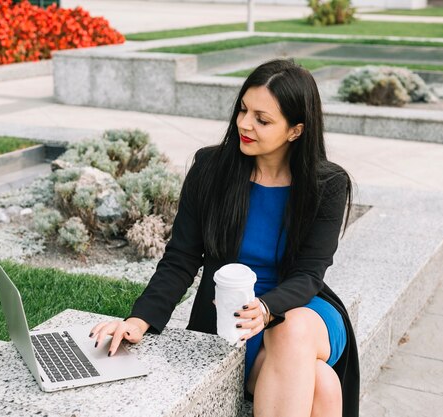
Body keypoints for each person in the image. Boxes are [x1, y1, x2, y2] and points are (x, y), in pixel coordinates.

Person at [89, 59, 359, 417]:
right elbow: (181, 258)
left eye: (262, 119)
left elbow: (309, 274)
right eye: (243, 110)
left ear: (295, 131)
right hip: (231, 319)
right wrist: (138, 320)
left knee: (289, 329)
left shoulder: (327, 185)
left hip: (303, 310)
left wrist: (266, 309)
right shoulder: (211, 169)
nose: (245, 124)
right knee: (321, 382)